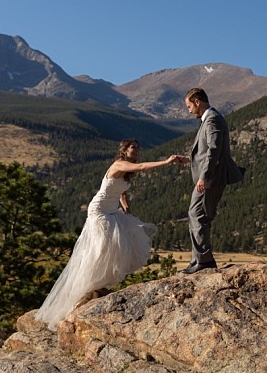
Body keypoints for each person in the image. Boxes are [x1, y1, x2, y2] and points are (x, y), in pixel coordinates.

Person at [35, 139, 180, 329]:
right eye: (133, 148)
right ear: (125, 150)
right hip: (100, 211)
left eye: (138, 148)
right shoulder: (119, 164)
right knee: (102, 248)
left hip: (111, 211)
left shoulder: (125, 171)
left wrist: (125, 203)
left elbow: (120, 190)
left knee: (116, 247)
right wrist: (167, 161)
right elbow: (143, 167)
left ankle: (99, 284)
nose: (136, 151)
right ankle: (87, 287)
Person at [175, 87, 244, 274]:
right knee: (198, 215)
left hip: (211, 177)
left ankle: (204, 261)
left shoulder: (212, 119)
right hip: (211, 176)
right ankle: (198, 259)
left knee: (197, 214)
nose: (189, 110)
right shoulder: (210, 119)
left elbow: (214, 151)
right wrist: (189, 159)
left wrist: (204, 177)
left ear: (198, 102)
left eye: (189, 106)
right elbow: (207, 151)